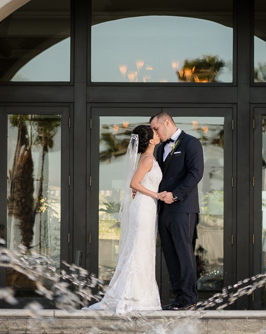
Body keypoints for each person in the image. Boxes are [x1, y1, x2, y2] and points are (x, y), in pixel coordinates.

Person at [87, 124, 162, 313]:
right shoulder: (146, 159)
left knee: (143, 249)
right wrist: (157, 195)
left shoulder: (149, 158)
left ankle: (141, 296)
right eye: (155, 133)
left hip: (147, 207)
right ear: (150, 140)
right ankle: (132, 297)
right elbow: (133, 183)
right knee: (138, 249)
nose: (158, 134)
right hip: (144, 207)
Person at [151, 111, 204, 310]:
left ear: (167, 122)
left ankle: (189, 297)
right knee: (170, 254)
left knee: (184, 252)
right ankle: (178, 297)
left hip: (183, 207)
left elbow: (196, 174)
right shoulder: (160, 148)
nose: (155, 133)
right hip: (163, 209)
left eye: (156, 128)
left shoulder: (191, 143)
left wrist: (174, 195)